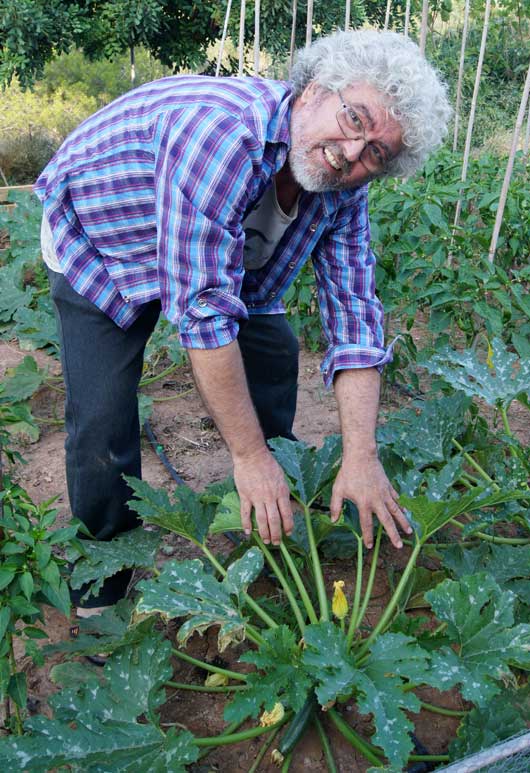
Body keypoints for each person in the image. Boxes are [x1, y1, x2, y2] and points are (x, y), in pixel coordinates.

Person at [35, 28, 451, 611]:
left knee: (274, 356)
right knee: (103, 421)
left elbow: (356, 317)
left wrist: (362, 454)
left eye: (377, 153)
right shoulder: (221, 135)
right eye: (355, 119)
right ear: (311, 93)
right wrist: (247, 456)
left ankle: (265, 516)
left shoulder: (341, 191)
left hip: (213, 251)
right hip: (104, 240)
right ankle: (102, 581)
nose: (354, 152)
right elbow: (203, 316)